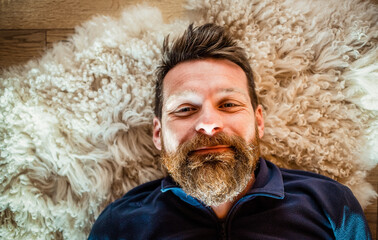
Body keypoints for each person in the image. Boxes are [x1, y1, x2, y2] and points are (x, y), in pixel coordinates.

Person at [88, 23, 372, 239]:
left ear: (259, 122)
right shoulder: (119, 225)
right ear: (158, 133)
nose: (209, 124)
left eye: (228, 104)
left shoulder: (333, 206)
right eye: (186, 109)